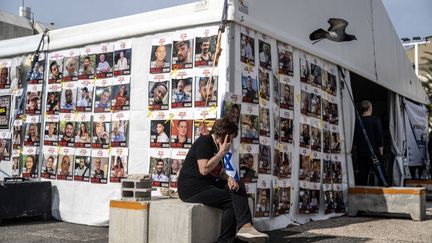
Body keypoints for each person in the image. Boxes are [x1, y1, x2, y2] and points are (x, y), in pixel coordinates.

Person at [178, 117, 268, 242]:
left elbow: (218, 171)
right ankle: (234, 234)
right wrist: (221, 153)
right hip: (192, 189)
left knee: (238, 186)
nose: (231, 141)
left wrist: (228, 178)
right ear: (223, 136)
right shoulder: (204, 142)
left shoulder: (216, 146)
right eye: (230, 137)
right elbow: (204, 169)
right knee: (231, 200)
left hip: (207, 184)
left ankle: (244, 228)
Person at [354, 100, 385, 186]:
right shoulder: (375, 120)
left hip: (361, 154)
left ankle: (362, 197)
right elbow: (380, 137)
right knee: (381, 177)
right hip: (374, 154)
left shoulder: (357, 121)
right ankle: (381, 196)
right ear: (370, 108)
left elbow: (355, 139)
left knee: (362, 178)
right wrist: (381, 153)